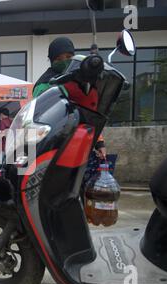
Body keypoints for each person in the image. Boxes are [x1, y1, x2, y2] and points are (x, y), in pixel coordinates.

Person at [33, 37, 107, 191]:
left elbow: (90, 114)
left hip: (81, 142)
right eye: (58, 59)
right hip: (55, 143)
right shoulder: (45, 83)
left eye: (68, 57)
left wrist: (99, 142)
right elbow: (39, 114)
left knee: (77, 187)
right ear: (51, 61)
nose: (64, 61)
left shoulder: (82, 80)